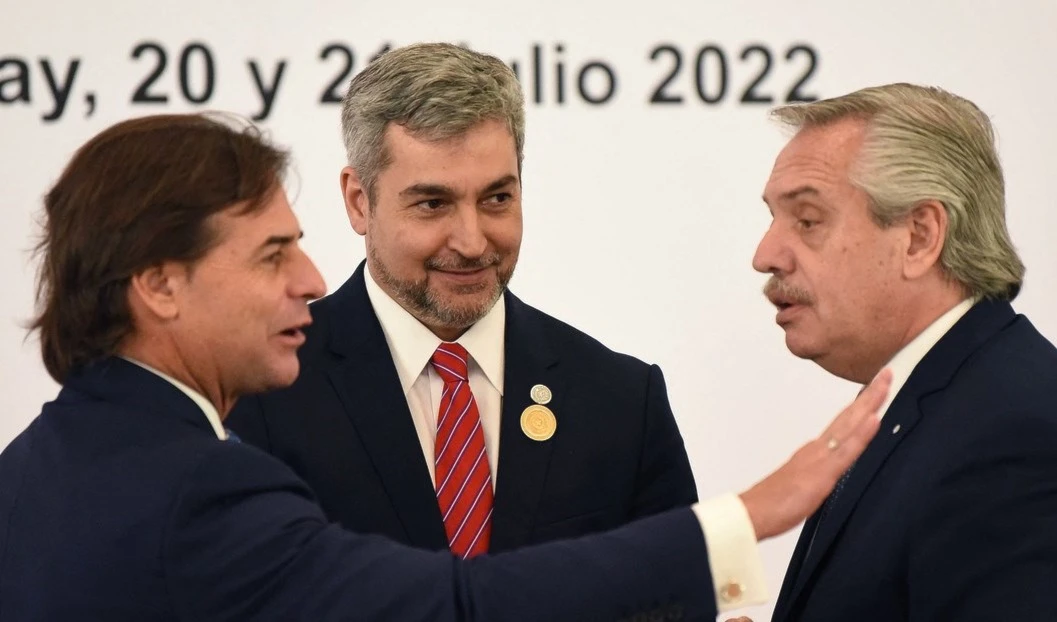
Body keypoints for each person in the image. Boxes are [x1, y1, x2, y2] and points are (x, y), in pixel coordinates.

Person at [0, 112, 888, 621]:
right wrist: (747, 516)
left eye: (497, 197)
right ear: (159, 284)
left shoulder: (39, 462)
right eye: (272, 256)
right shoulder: (205, 477)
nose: (309, 282)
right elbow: (455, 605)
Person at [229, 41, 807, 605]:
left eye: (497, 198)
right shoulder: (259, 391)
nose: (473, 240)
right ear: (359, 201)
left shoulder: (622, 400)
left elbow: (677, 603)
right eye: (432, 204)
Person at [753, 83, 1057, 621]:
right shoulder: (930, 401)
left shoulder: (1014, 434)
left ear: (919, 236)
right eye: (773, 219)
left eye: (806, 220)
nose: (766, 254)